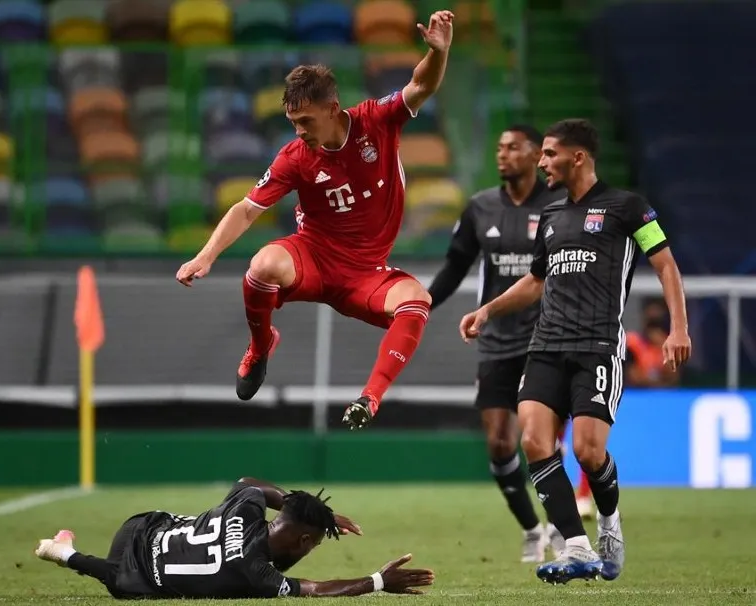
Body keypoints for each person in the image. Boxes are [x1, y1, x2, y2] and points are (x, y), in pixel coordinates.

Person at [175, 11, 455, 431]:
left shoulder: (375, 121)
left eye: (306, 121)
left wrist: (439, 52)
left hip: (365, 274)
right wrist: (206, 256)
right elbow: (247, 208)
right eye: (293, 123)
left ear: (333, 109)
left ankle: (370, 398)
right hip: (315, 258)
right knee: (263, 265)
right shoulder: (294, 157)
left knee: (417, 300)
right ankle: (261, 345)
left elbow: (421, 85)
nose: (299, 131)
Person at [458, 119, 691, 584]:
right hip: (545, 345)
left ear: (577, 157)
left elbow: (665, 265)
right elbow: (536, 281)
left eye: (548, 154)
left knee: (587, 451)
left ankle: (609, 524)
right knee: (534, 442)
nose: (541, 162)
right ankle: (577, 547)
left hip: (599, 347)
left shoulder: (629, 209)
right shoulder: (552, 216)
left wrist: (678, 328)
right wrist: (488, 310)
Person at [428, 125, 567, 563]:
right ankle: (532, 528)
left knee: (537, 434)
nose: (503, 155)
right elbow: (455, 265)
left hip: (545, 338)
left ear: (534, 155)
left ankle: (565, 528)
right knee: (499, 442)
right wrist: (422, 305)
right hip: (495, 341)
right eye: (499, 148)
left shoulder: (559, 207)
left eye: (513, 148)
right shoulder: (480, 207)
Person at [34, 477, 434, 599]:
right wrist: (379, 581)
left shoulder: (249, 505)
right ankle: (64, 553)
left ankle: (65, 549)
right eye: (315, 540)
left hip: (140, 524)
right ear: (305, 540)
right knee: (126, 586)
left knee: (132, 574)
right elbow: (314, 588)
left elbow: (250, 483)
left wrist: (319, 514)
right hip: (131, 570)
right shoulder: (256, 570)